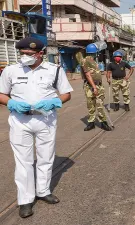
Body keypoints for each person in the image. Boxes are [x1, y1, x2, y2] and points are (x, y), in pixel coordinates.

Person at [0, 37, 73, 218]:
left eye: (30, 54)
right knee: (23, 161)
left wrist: (55, 101)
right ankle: (25, 200)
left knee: (46, 157)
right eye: (23, 54)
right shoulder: (11, 70)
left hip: (45, 120)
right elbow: (1, 94)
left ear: (40, 53)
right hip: (20, 120)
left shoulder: (54, 70)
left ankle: (43, 190)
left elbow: (66, 94)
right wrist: (11, 104)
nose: (25, 57)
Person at [80, 43, 112, 131]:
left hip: (98, 85)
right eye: (96, 52)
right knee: (91, 105)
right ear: (94, 52)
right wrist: (94, 87)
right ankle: (91, 123)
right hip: (91, 87)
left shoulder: (93, 61)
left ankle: (103, 123)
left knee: (100, 104)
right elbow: (87, 75)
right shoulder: (85, 61)